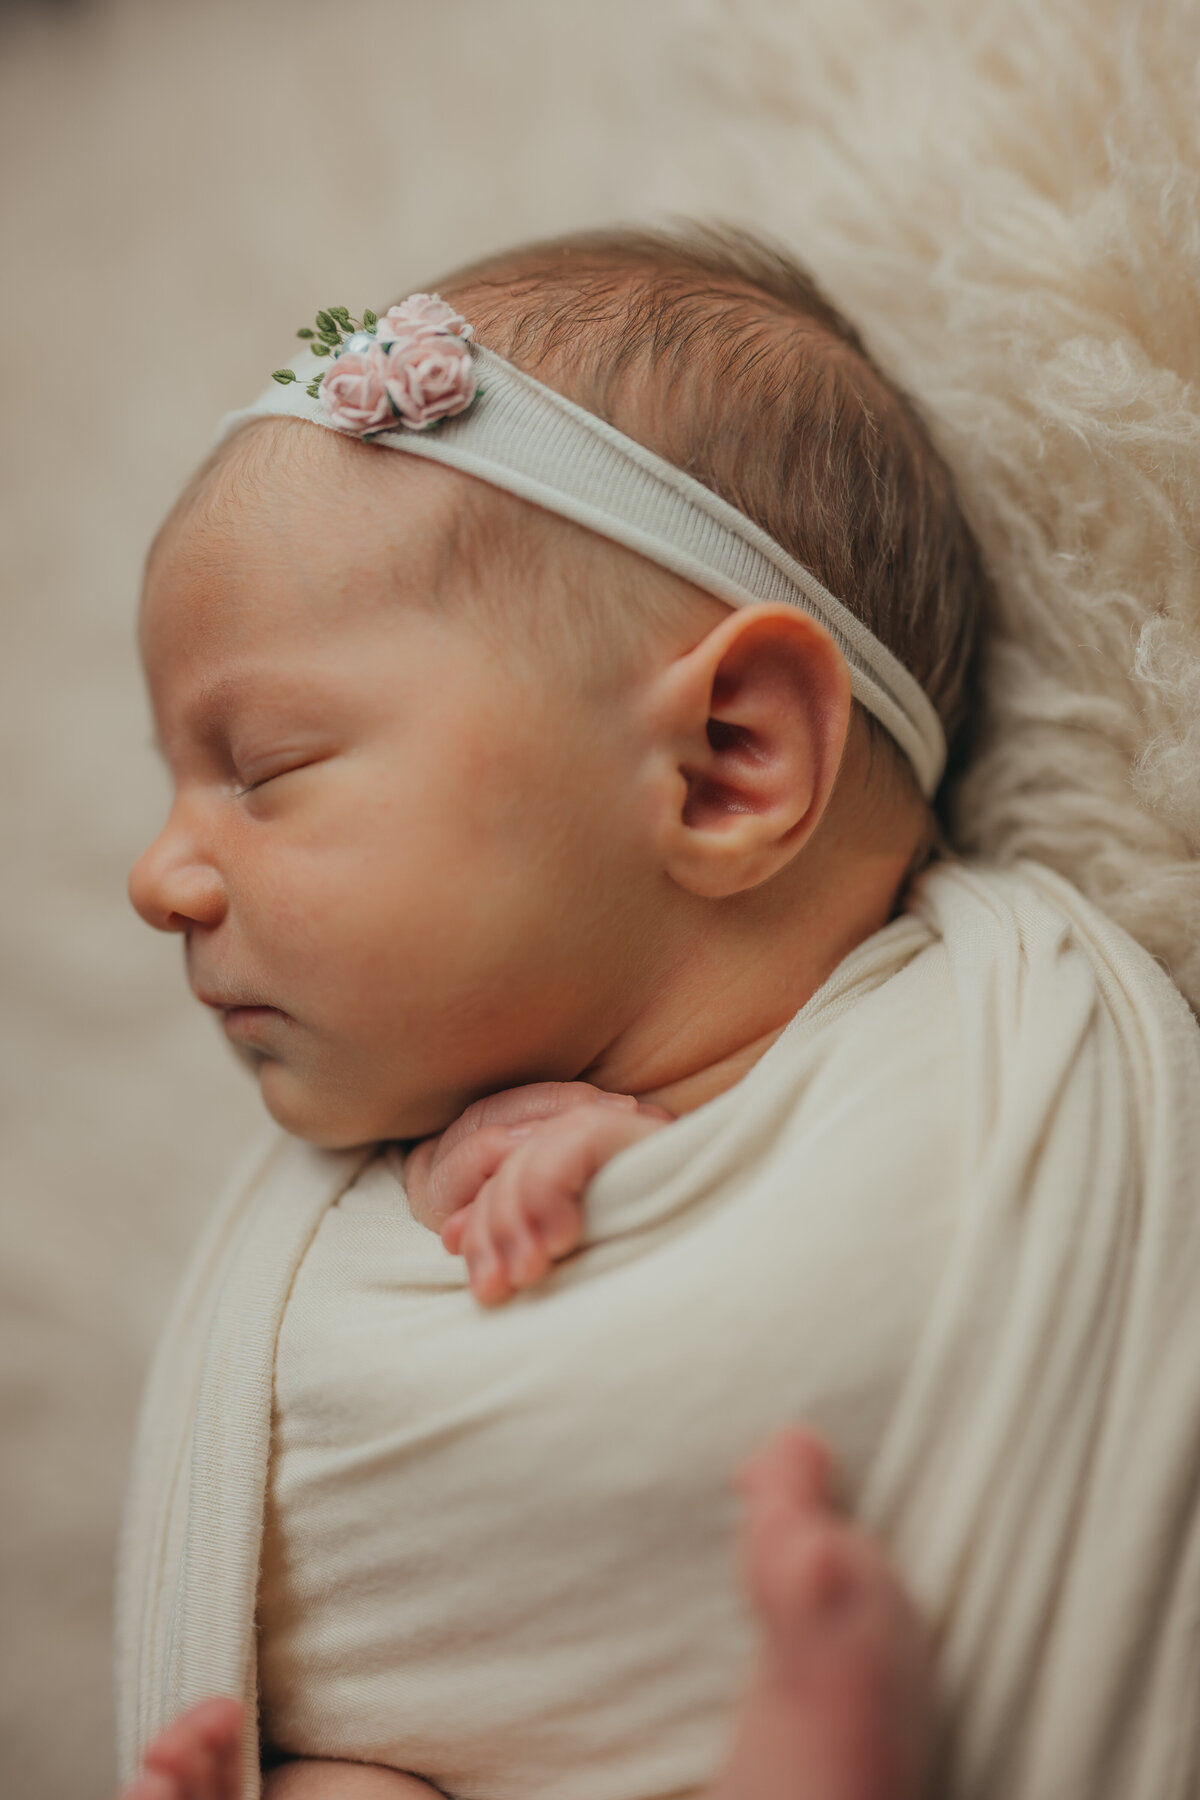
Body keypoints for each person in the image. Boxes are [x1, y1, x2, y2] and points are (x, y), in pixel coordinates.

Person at [116, 230, 1200, 1800]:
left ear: (728, 761)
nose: (159, 880)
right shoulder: (328, 1240)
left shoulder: (1019, 1065)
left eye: (267, 767)